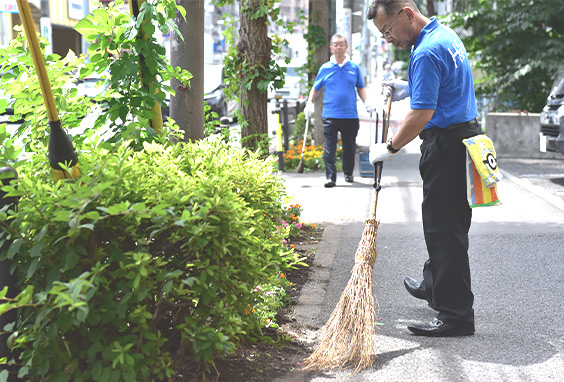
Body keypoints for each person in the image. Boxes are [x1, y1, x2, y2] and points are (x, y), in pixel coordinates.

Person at [367, 0, 481, 337]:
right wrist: (412, 87)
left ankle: (456, 315)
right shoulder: (443, 35)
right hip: (464, 139)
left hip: (447, 145)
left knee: (444, 230)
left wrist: (389, 147)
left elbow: (421, 114)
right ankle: (436, 285)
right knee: (445, 223)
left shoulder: (426, 52)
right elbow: (443, 88)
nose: (389, 39)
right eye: (383, 35)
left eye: (387, 31)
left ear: (406, 13)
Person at [304, 34, 374, 188]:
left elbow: (360, 87)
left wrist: (367, 101)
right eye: (335, 44)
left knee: (349, 147)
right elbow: (315, 89)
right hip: (330, 115)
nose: (338, 47)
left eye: (341, 44)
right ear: (331, 48)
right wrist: (309, 104)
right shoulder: (325, 68)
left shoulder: (354, 68)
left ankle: (348, 173)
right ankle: (331, 177)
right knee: (330, 148)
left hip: (350, 115)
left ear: (346, 46)